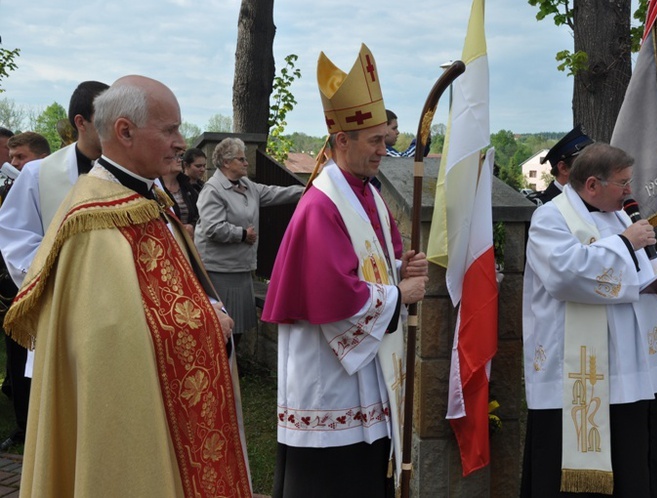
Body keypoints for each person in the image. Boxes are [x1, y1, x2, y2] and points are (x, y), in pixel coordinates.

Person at [3, 75, 253, 497]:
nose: (181, 141)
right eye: (170, 129)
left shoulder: (145, 197)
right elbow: (111, 337)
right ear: (124, 131)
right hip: (128, 402)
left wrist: (210, 308)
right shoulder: (96, 215)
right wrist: (207, 324)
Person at [262, 44, 428, 498]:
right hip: (328, 380)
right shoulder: (321, 204)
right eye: (374, 140)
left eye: (383, 138)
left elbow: (369, 260)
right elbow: (333, 292)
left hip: (360, 372)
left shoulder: (366, 192)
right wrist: (401, 295)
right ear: (341, 141)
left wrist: (400, 267)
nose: (384, 148)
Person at [520, 143, 657, 497]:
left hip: (631, 370)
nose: (630, 192)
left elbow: (638, 282)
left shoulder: (619, 215)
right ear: (592, 185)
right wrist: (624, 243)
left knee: (632, 467)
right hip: (578, 375)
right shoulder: (550, 217)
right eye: (623, 183)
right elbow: (566, 275)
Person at [194, 137, 303, 351]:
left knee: (238, 328)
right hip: (220, 271)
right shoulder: (213, 190)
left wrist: (306, 192)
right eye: (241, 159)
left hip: (240, 269)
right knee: (222, 329)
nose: (246, 163)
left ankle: (232, 371)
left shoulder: (247, 185)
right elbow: (211, 227)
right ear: (226, 163)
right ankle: (221, 372)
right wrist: (242, 234)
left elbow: (273, 193)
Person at [0, 80, 109, 288]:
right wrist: (58, 278)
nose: (114, 127)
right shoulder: (38, 173)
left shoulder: (133, 169)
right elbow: (16, 237)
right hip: (63, 289)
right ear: (81, 122)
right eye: (104, 119)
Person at [0, 132, 50, 452]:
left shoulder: (52, 187)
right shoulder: (7, 189)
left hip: (42, 286)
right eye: (11, 157)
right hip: (9, 289)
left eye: (20, 157)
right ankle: (22, 425)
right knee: (17, 361)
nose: (13, 163)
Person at [533, 124, 593, 204]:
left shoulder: (599, 202)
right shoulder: (542, 204)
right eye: (587, 162)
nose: (595, 166)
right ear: (563, 168)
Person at [161, 153, 199, 237]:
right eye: (174, 156)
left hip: (189, 241)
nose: (180, 160)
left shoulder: (186, 185)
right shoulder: (155, 187)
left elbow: (200, 213)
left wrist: (192, 226)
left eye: (180, 156)